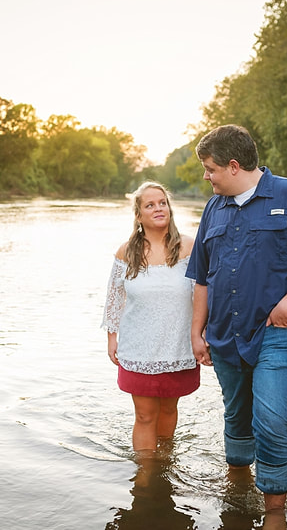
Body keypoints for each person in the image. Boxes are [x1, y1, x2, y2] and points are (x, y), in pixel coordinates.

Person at [185, 125, 287, 518]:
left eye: (210, 168)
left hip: (279, 332)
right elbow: (202, 277)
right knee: (236, 414)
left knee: (271, 419)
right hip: (224, 336)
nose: (206, 176)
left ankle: (274, 513)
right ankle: (236, 491)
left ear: (233, 166)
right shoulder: (213, 208)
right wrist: (195, 332)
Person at [102, 181, 199, 456]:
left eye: (162, 203)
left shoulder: (190, 247)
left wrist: (203, 334)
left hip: (177, 344)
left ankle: (165, 460)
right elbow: (114, 297)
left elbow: (205, 296)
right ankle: (146, 477)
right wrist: (112, 337)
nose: (158, 208)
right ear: (139, 214)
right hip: (138, 347)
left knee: (169, 409)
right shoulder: (126, 252)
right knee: (145, 415)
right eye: (150, 205)